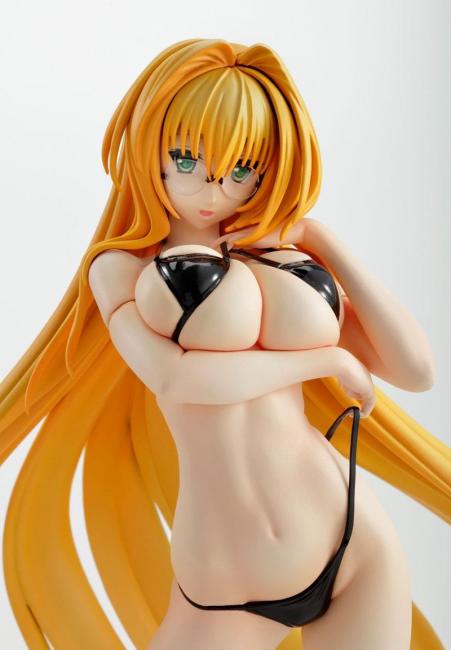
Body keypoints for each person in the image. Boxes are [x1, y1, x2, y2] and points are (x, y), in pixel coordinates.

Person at [0, 38, 449, 650]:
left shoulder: (283, 257)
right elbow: (177, 378)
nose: (213, 191)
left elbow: (416, 370)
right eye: (187, 158)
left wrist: (322, 241)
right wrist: (327, 359)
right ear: (150, 148)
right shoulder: (120, 268)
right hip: (224, 583)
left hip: (351, 539)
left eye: (241, 169)